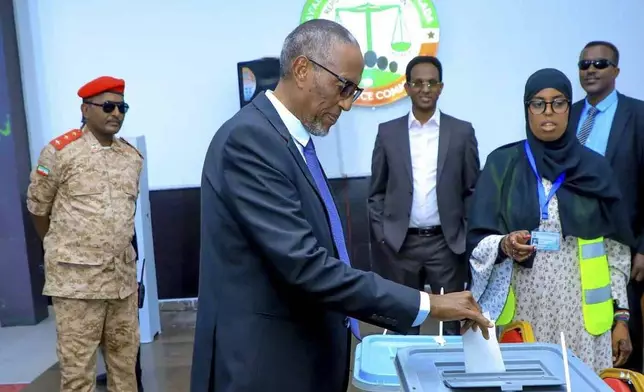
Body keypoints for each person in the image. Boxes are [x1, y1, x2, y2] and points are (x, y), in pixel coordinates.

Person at [190, 19, 491, 392]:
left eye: (355, 90)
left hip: (301, 357)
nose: (347, 104)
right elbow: (306, 266)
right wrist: (428, 304)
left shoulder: (286, 140)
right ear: (302, 69)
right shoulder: (250, 141)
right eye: (343, 87)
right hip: (266, 365)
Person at [467, 68, 634, 373]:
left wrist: (621, 318)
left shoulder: (595, 169)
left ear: (570, 108)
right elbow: (477, 240)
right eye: (538, 103)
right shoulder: (502, 165)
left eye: (558, 103)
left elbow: (616, 251)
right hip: (522, 314)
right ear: (526, 109)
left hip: (582, 321)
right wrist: (504, 245)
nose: (549, 112)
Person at [26, 76, 143, 392]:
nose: (115, 113)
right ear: (85, 109)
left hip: (121, 283)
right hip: (77, 284)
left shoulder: (131, 158)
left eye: (122, 107)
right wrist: (60, 248)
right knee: (78, 375)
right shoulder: (60, 153)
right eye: (107, 106)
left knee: (125, 370)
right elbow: (38, 209)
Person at [368, 55, 480, 335]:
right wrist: (384, 234)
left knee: (451, 326)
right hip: (401, 245)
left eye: (432, 83)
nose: (425, 89)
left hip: (446, 245)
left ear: (441, 87)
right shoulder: (388, 133)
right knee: (403, 325)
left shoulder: (461, 132)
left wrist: (464, 235)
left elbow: (472, 189)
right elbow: (376, 192)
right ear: (407, 88)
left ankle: (451, 378)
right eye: (418, 83)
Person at [570, 40, 644, 372]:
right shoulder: (566, 114)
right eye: (584, 64)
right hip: (571, 247)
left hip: (623, 245)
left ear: (616, 71)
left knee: (624, 340)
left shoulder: (639, 115)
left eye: (600, 64)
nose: (590, 70)